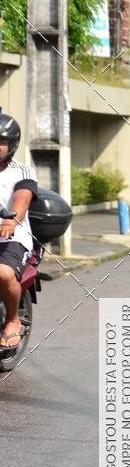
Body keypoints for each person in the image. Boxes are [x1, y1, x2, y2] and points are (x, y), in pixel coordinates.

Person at [0, 113, 37, 351]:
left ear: (12, 144)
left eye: (1, 141)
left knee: (2, 274)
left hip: (13, 239)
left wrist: (12, 220)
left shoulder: (21, 171)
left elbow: (22, 198)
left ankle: (12, 319)